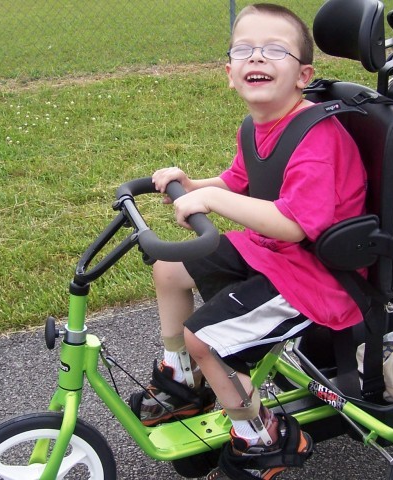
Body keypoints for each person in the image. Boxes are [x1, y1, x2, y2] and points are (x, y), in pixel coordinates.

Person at [129, 3, 367, 478]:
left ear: (304, 76)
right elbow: (239, 181)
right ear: (230, 74)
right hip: (276, 257)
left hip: (318, 279)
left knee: (206, 338)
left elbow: (292, 224)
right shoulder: (256, 126)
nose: (257, 58)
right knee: (169, 266)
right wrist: (194, 185)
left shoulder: (318, 136)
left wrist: (212, 205)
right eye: (245, 50)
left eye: (274, 50)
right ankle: (181, 380)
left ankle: (263, 437)